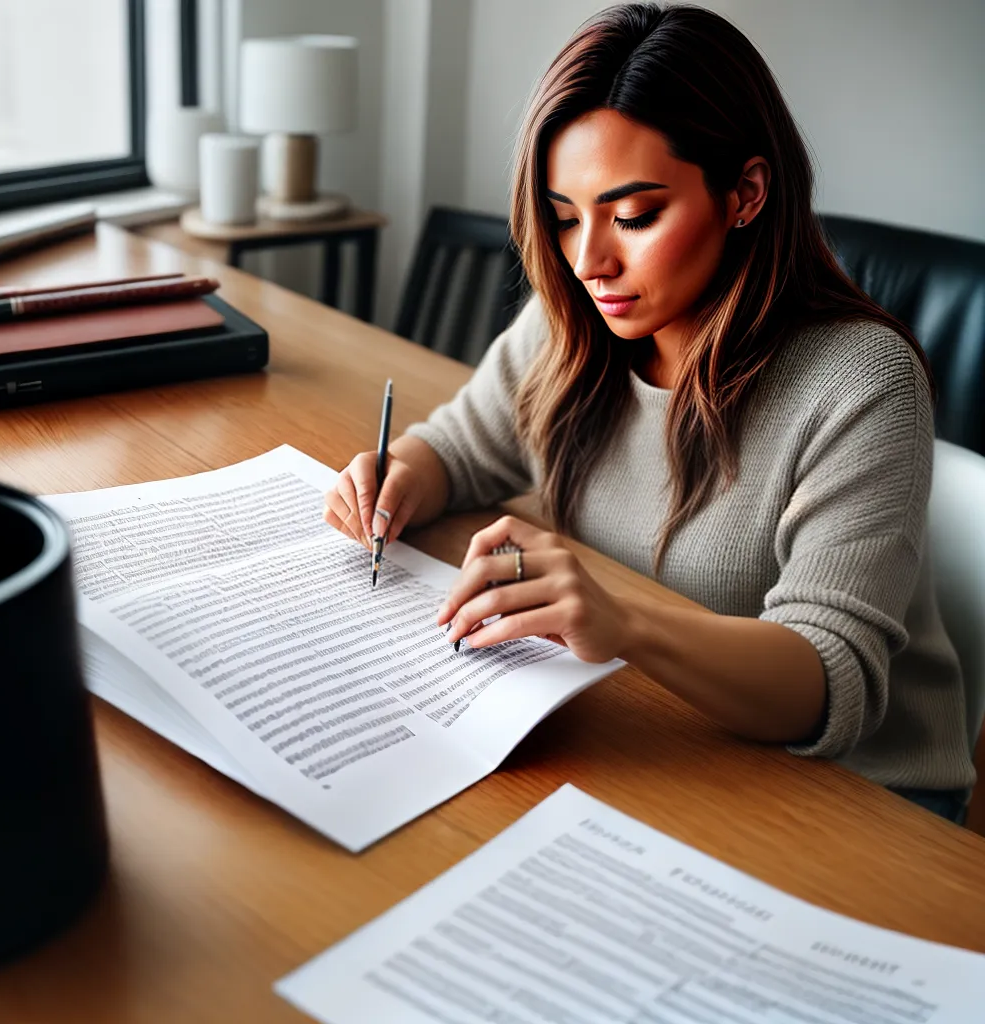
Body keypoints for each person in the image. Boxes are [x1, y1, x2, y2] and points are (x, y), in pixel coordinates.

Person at [323, 3, 974, 822]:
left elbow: (829, 676)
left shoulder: (861, 380)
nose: (590, 261)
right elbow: (457, 447)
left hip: (855, 799)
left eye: (633, 217)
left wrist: (625, 622)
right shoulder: (577, 321)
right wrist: (396, 479)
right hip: (659, 735)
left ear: (745, 193)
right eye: (565, 219)